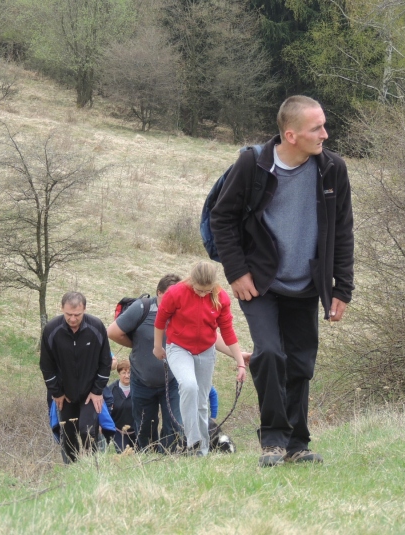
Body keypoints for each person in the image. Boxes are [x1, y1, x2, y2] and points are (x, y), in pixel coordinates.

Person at [210, 95, 354, 467]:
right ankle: (272, 440)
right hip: (260, 283)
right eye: (316, 128)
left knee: (301, 362)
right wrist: (237, 272)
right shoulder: (252, 164)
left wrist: (342, 288)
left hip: (306, 283)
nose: (325, 133)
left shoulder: (333, 169)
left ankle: (297, 444)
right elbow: (221, 219)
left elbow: (342, 230)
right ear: (291, 135)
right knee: (271, 353)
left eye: (323, 124)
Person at [153, 261, 246, 457]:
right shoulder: (176, 293)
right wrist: (157, 346)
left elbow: (227, 331)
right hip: (178, 347)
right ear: (191, 281)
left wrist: (240, 362)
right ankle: (192, 443)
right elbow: (160, 320)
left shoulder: (220, 297)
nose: (202, 294)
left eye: (207, 291)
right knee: (189, 386)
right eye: (198, 290)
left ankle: (201, 451)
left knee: (202, 403)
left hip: (205, 350)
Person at [107, 274, 184, 453]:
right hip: (142, 381)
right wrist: (138, 344)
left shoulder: (182, 310)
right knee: (144, 427)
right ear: (159, 293)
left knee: (173, 425)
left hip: (172, 381)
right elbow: (112, 332)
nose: (174, 300)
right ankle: (148, 462)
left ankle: (168, 460)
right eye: (169, 296)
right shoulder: (142, 307)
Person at [39, 291, 112, 463]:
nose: (73, 319)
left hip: (90, 393)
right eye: (69, 314)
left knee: (87, 430)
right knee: (69, 435)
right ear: (62, 309)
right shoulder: (51, 330)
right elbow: (46, 366)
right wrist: (56, 392)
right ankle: (72, 470)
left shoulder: (96, 327)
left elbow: (105, 362)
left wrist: (97, 390)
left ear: (84, 309)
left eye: (77, 315)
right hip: (64, 394)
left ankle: (92, 466)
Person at [105, 360, 137, 452]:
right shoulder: (111, 390)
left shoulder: (139, 388)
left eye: (129, 372)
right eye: (124, 373)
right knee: (123, 455)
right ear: (119, 373)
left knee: (139, 456)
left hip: (137, 430)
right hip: (119, 431)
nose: (127, 376)